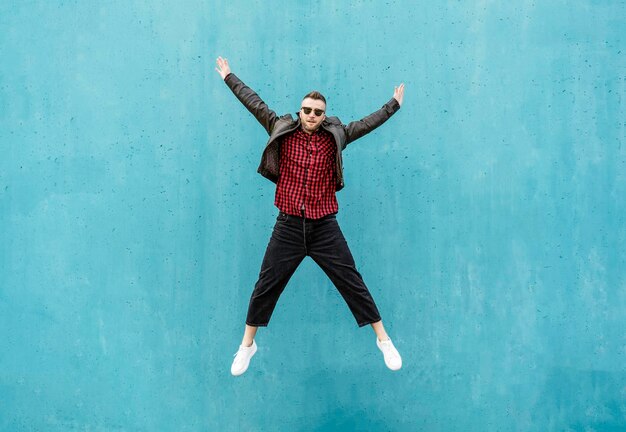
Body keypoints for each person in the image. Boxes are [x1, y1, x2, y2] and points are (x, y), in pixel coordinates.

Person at [215, 56, 405, 376]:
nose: (312, 115)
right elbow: (254, 103)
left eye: (318, 112)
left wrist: (394, 104)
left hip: (323, 226)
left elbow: (366, 123)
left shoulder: (337, 135)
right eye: (307, 110)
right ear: (300, 111)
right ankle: (247, 346)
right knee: (266, 284)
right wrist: (229, 76)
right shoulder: (280, 128)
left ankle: (383, 339)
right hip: (288, 225)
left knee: (351, 281)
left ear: (323, 115)